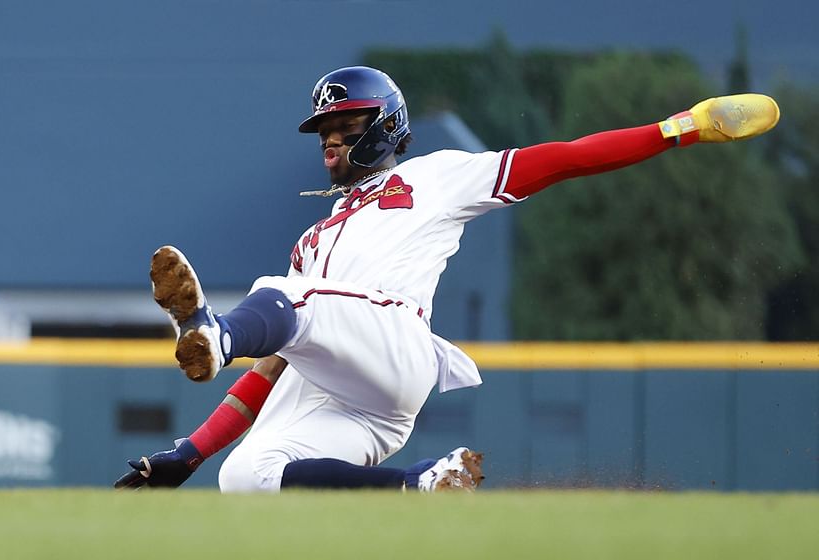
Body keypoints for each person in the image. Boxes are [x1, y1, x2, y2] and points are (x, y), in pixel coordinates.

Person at [114, 66, 779, 493]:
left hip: (397, 345)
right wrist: (190, 454)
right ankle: (425, 483)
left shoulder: (433, 177)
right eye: (324, 129)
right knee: (247, 476)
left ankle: (216, 331)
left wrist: (679, 128)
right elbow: (277, 365)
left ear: (384, 127)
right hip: (366, 410)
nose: (329, 139)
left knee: (286, 296)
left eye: (344, 125)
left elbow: (565, 159)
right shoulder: (312, 240)